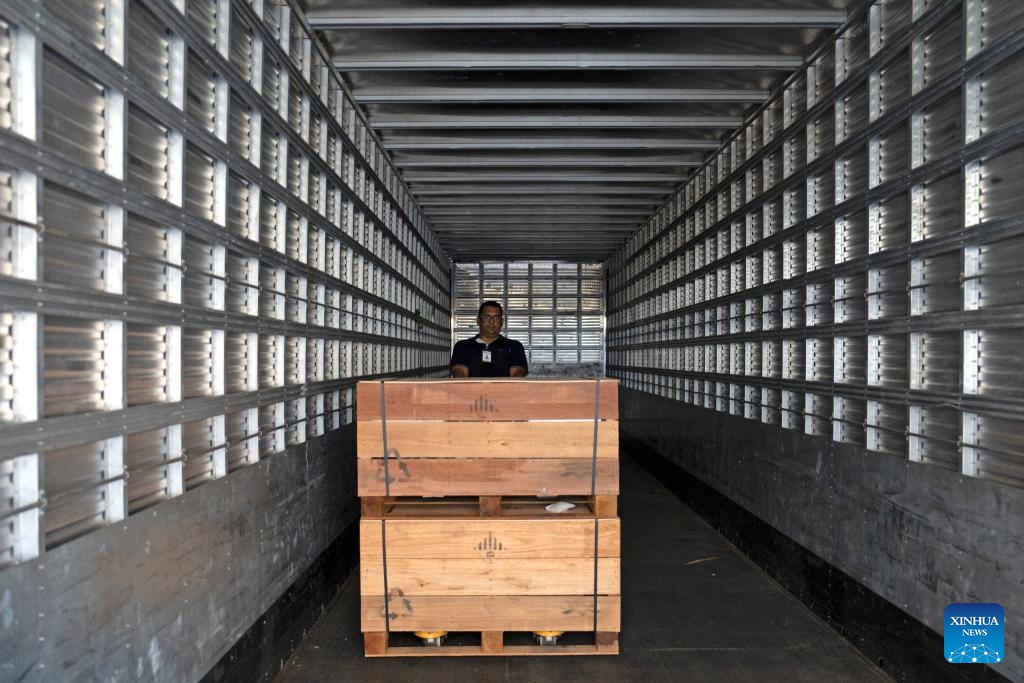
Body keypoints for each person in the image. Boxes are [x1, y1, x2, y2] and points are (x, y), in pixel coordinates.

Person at [451, 301, 528, 378]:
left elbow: (517, 376)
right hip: (472, 390)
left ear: (501, 322)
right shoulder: (462, 346)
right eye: (486, 317)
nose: (491, 321)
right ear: (478, 320)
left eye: (496, 317)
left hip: (504, 390)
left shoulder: (514, 347)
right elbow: (460, 376)